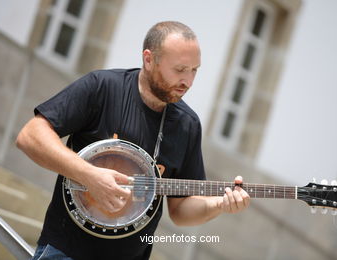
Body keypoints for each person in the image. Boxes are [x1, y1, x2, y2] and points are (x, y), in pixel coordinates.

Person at [16, 21, 250, 260]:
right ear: (149, 59)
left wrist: (219, 204)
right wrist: (89, 175)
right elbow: (30, 136)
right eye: (179, 69)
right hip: (65, 251)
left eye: (194, 70)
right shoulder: (103, 87)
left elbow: (180, 211)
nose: (188, 82)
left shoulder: (187, 124)